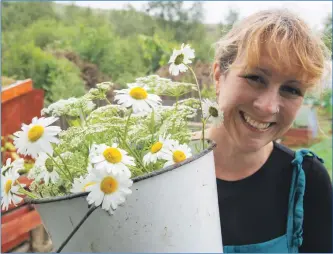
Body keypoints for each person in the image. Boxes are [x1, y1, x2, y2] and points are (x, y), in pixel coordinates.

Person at [207, 9, 332, 253]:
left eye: (291, 90)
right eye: (255, 77)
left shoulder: (307, 183)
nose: (267, 107)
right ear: (219, 76)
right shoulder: (160, 166)